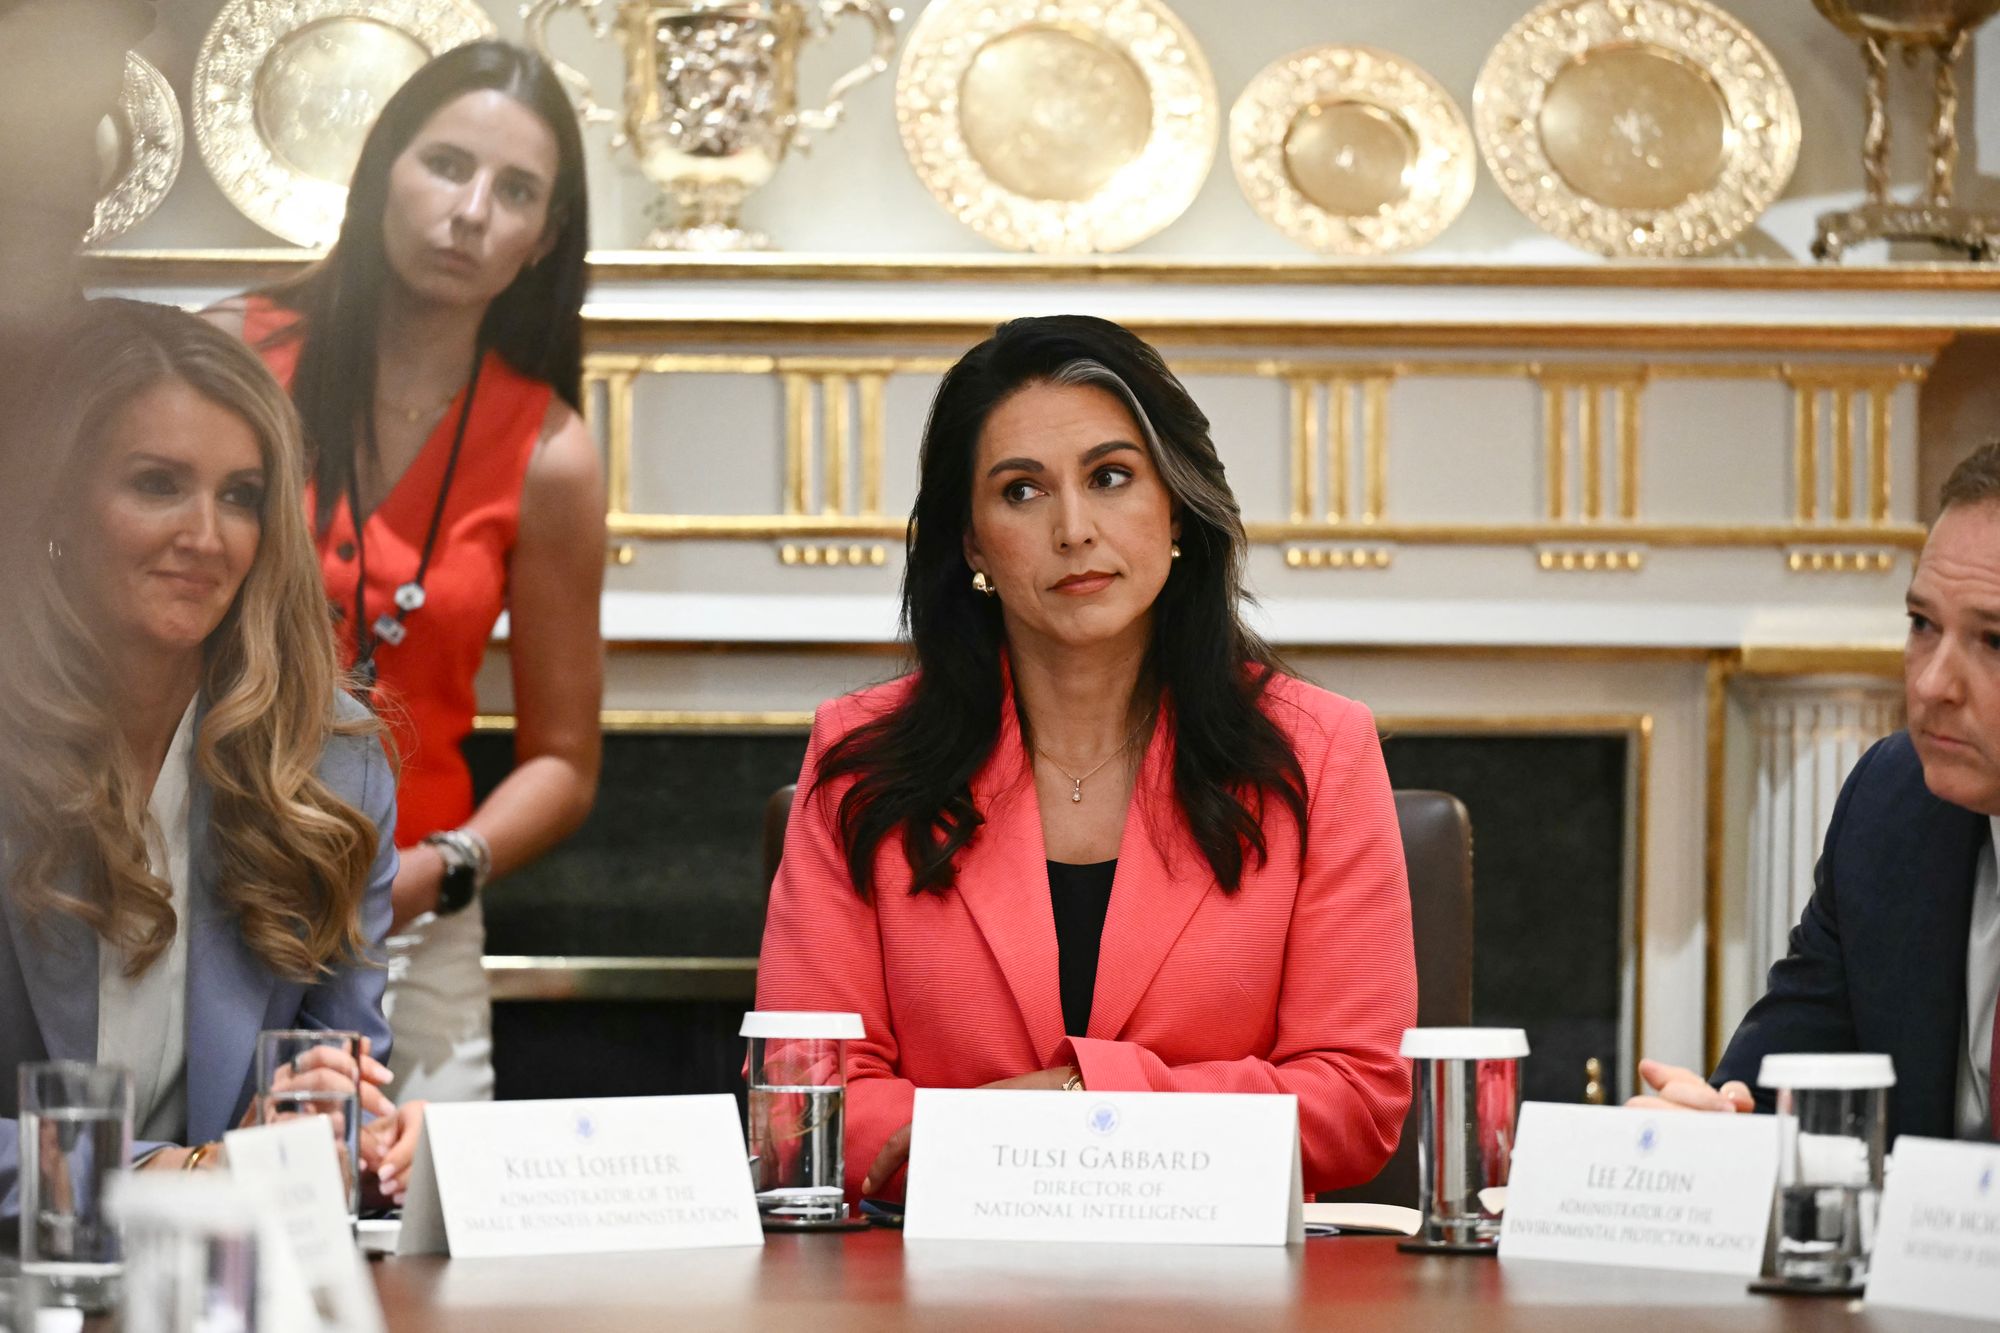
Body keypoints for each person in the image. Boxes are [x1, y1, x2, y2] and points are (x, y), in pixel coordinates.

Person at [755, 315, 1417, 1200]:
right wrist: (1024, 1140)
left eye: (1111, 478)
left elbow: (1354, 1098)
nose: (1074, 528)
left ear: (1175, 506)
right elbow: (803, 1101)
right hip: (939, 1288)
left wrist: (1079, 1099)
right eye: (1021, 491)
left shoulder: (1321, 750)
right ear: (973, 541)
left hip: (1219, 1287)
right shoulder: (862, 754)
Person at [208, 41, 605, 1103]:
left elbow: (564, 762)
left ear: (541, 239)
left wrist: (436, 872)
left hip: (416, 911)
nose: (471, 210)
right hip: (209, 870)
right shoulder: (233, 361)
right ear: (382, 167)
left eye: (514, 190)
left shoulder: (550, 449)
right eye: (445, 164)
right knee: (199, 1192)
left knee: (430, 1231)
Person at [0, 299, 413, 1212]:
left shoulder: (330, 766)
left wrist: (357, 1132)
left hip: (222, 1285)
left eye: (240, 496)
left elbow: (335, 1077)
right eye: (157, 484)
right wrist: (166, 1171)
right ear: (54, 499)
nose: (206, 535)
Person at [1634, 440, 2000, 1144]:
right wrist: (1714, 1134)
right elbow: (1771, 1088)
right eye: (1922, 625)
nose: (1930, 684)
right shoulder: (1892, 804)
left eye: (1995, 641)